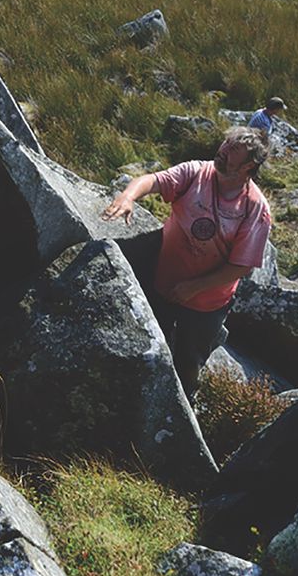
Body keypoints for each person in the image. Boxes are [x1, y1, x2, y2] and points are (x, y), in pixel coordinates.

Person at [101, 126, 273, 397]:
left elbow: (241, 266)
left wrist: (195, 287)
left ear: (249, 166)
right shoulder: (197, 172)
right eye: (224, 145)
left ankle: (183, 402)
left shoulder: (255, 209)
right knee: (147, 342)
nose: (222, 152)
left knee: (188, 363)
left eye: (231, 152)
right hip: (163, 281)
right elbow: (153, 180)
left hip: (207, 303)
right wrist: (128, 196)